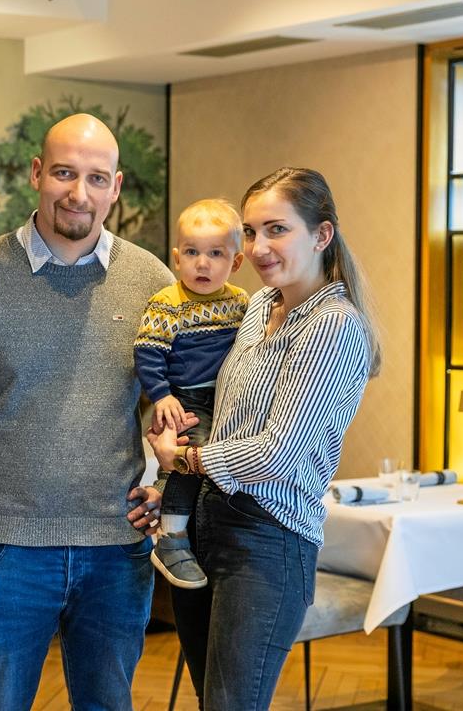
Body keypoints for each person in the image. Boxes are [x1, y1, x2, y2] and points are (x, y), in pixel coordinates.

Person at [0, 113, 173, 711]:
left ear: (116, 187)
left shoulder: (152, 282)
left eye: (96, 178)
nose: (79, 193)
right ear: (37, 174)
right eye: (64, 173)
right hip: (0, 550)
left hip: (117, 543)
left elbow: (185, 406)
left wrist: (172, 488)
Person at [147, 167, 381, 710]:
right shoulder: (256, 307)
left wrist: (183, 460)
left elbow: (278, 452)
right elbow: (224, 418)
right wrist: (169, 489)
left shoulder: (333, 324)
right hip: (207, 525)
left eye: (276, 229)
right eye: (250, 232)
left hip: (268, 540)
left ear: (321, 236)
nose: (257, 247)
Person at [134, 198, 248, 590]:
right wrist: (162, 395)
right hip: (183, 396)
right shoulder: (168, 303)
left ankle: (204, 527)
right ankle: (171, 536)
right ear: (178, 257)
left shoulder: (240, 303)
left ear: (235, 262)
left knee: (222, 460)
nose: (203, 263)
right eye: (194, 253)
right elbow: (149, 353)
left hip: (228, 397)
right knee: (190, 453)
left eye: (216, 254)